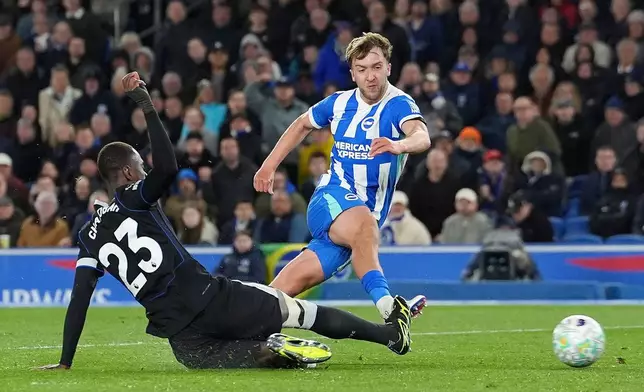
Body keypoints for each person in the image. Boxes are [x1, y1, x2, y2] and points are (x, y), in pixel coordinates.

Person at [39, 72, 412, 371]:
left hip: (182, 339)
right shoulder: (135, 196)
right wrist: (147, 106)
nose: (144, 169)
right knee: (295, 310)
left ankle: (263, 351)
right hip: (211, 298)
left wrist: (65, 360)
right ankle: (387, 336)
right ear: (128, 172)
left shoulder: (88, 236)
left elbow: (79, 300)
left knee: (219, 359)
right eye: (140, 164)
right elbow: (168, 167)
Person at [254, 33, 431, 320]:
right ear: (352, 74)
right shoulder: (338, 103)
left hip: (361, 220)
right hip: (331, 198)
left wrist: (399, 144)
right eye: (362, 70)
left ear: (388, 67)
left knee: (278, 295)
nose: (370, 77)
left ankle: (241, 328)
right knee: (365, 228)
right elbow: (302, 124)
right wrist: (268, 166)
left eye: (376, 67)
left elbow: (421, 137)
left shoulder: (399, 104)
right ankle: (390, 308)